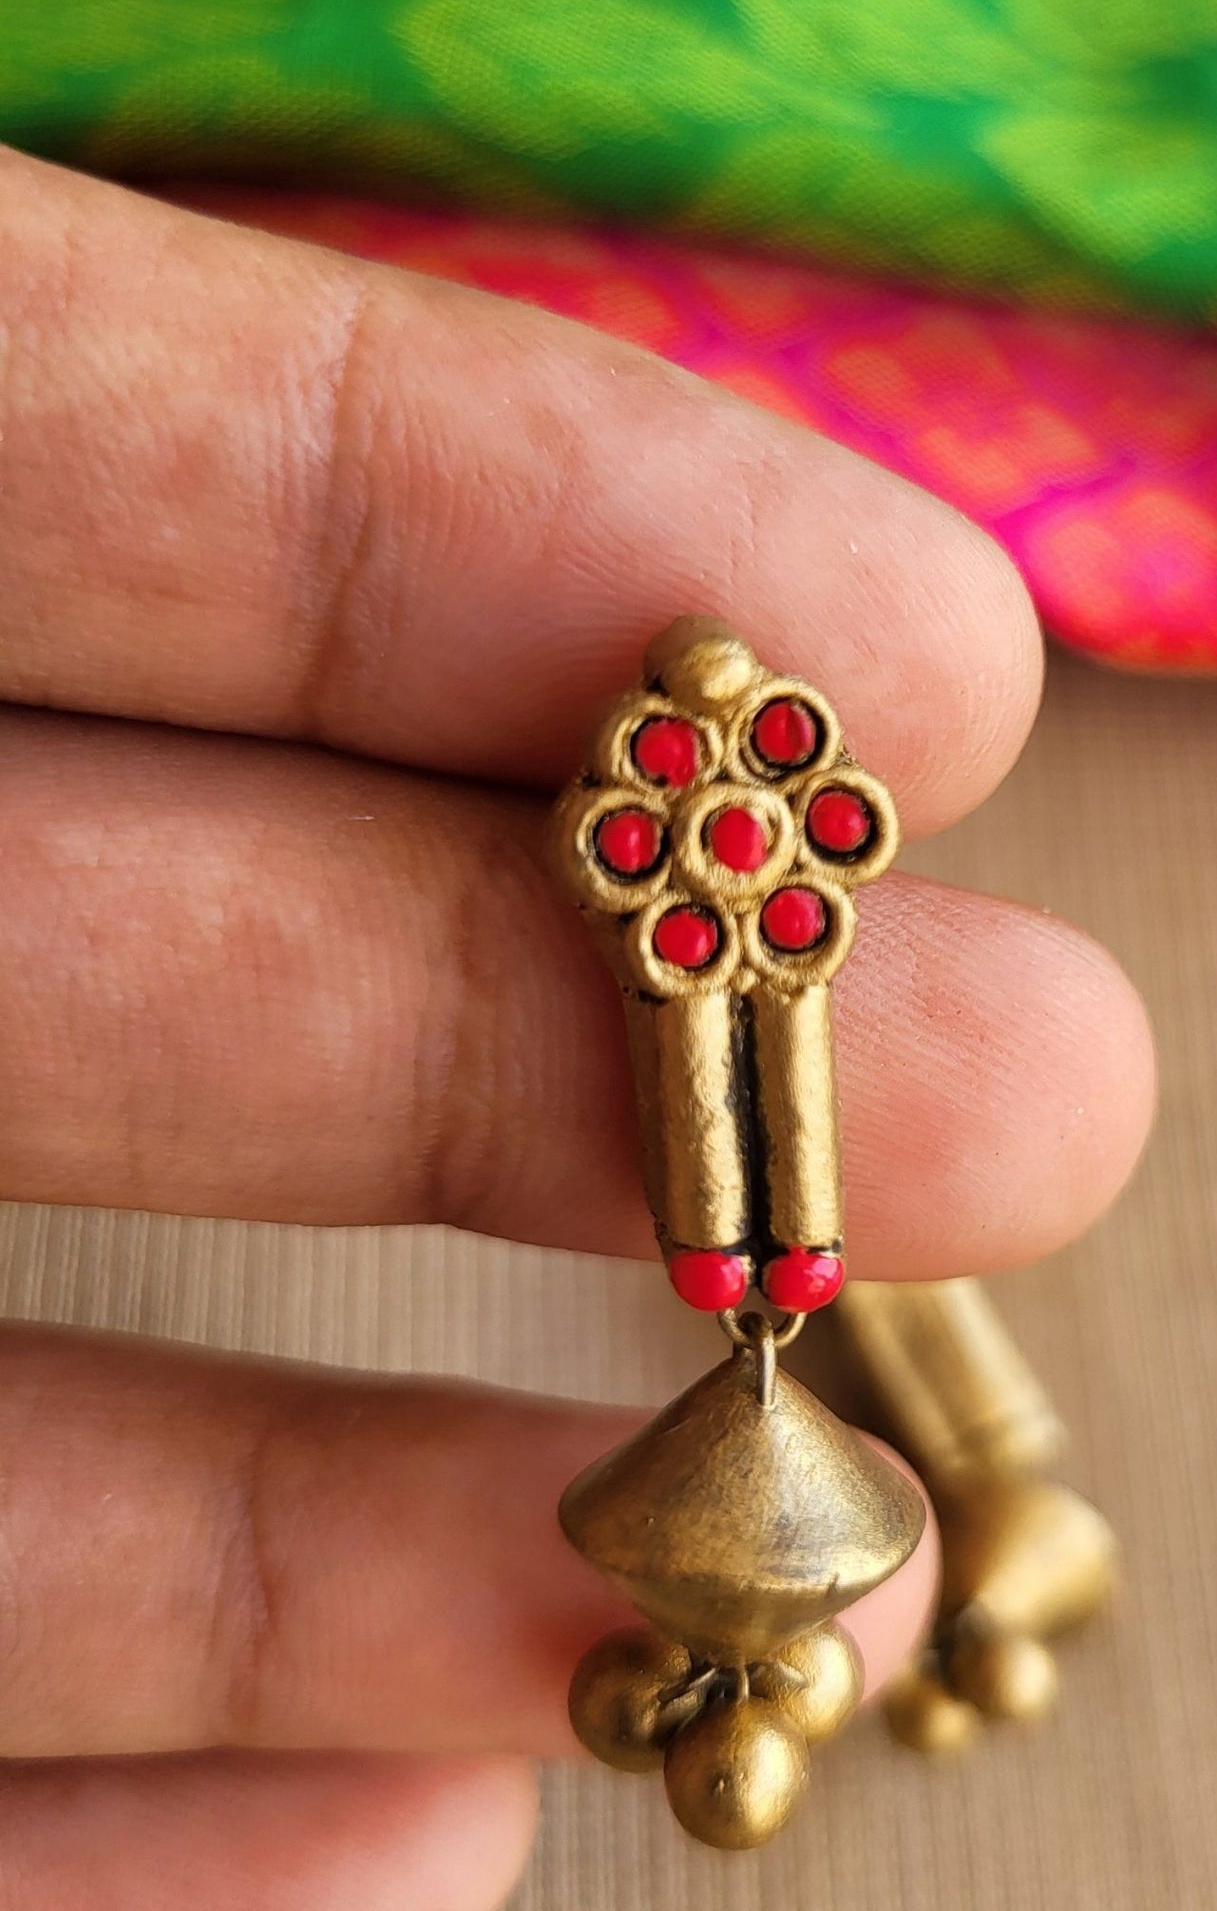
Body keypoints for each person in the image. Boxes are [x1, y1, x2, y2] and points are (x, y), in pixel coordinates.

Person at [0, 148, 1155, 1908]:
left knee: (787, 1165)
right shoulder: (698, 816)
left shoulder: (735, 825)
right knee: (758, 1152)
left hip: (720, 920)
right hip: (705, 922)